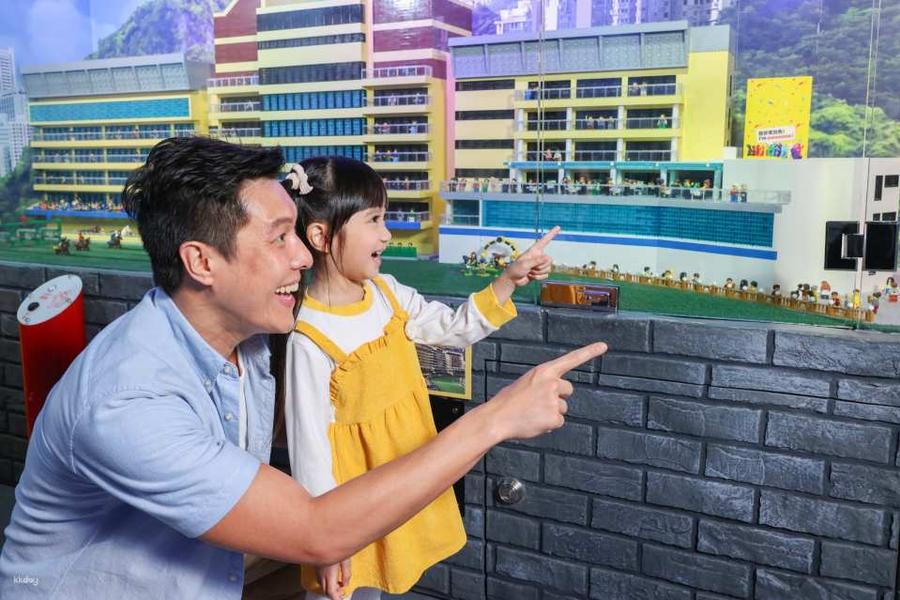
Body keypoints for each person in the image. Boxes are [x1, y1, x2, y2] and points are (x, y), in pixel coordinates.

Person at [0, 137, 605, 599]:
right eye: (279, 238)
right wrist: (496, 419)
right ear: (201, 262)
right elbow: (316, 526)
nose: (302, 256)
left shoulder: (251, 341)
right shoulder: (129, 402)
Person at [279, 157, 558, 599]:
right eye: (373, 220)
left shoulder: (388, 294)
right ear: (321, 236)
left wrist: (507, 280)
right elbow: (310, 454)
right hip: (352, 511)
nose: (386, 234)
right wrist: (326, 545)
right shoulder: (309, 338)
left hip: (403, 482)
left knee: (383, 584)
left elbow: (453, 328)